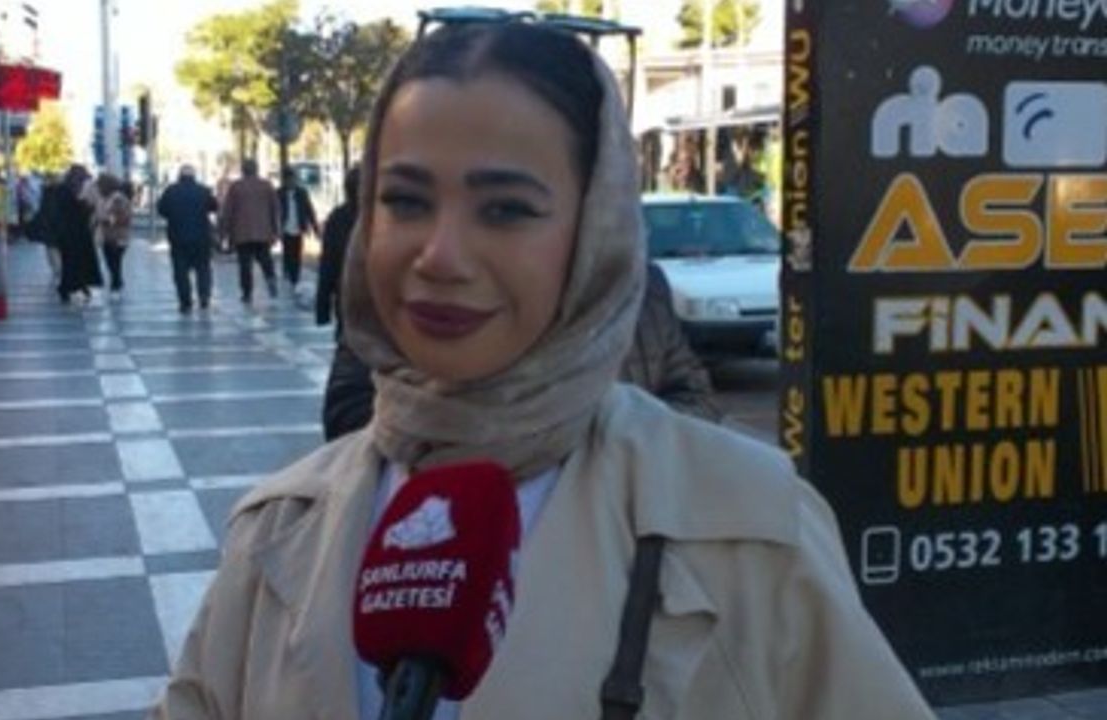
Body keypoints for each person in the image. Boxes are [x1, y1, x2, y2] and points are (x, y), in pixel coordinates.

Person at [153, 23, 934, 720]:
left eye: (505, 209)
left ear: (597, 229)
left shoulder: (753, 529)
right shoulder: (278, 530)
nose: (441, 256)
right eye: (406, 201)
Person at [321, 260, 720, 441]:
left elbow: (695, 399)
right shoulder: (396, 290)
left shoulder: (642, 288)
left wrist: (592, 443)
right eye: (407, 202)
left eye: (508, 209)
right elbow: (347, 410)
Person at [156, 165, 218, 313]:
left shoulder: (171, 191)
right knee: (203, 268)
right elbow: (214, 206)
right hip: (201, 237)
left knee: (180, 271)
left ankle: (185, 301)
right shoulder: (203, 191)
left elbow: (161, 210)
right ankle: (204, 297)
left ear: (179, 176)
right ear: (194, 176)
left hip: (178, 237)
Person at [218, 159, 281, 303]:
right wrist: (276, 230)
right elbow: (275, 209)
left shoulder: (236, 187)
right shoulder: (266, 185)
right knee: (265, 259)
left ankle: (247, 293)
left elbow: (228, 211)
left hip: (242, 233)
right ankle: (271, 279)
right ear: (256, 169)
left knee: (245, 265)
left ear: (243, 170)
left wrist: (223, 233)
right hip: (263, 232)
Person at [316, 165, 360, 332]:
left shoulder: (338, 217)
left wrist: (322, 308)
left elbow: (328, 264)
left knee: (346, 334)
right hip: (377, 293)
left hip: (345, 289)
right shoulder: (381, 216)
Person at [54, 164, 102, 304]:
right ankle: (73, 287)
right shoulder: (68, 192)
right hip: (76, 234)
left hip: (70, 234)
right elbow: (77, 212)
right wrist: (87, 207)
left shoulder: (63, 190)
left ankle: (75, 287)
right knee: (75, 262)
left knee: (71, 262)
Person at [276, 167, 319, 294]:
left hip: (298, 227)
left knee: (296, 252)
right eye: (289, 179)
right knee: (288, 252)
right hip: (285, 227)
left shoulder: (302, 193)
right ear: (284, 180)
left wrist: (315, 228)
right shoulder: (279, 193)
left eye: (293, 179)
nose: (291, 182)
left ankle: (295, 276)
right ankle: (289, 273)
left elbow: (309, 210)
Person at [92, 173, 133, 300]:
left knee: (115, 261)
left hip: (118, 235)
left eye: (99, 186)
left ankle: (116, 285)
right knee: (111, 262)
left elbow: (124, 216)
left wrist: (107, 220)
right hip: (108, 236)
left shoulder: (118, 199)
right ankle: (117, 282)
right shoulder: (105, 198)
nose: (97, 188)